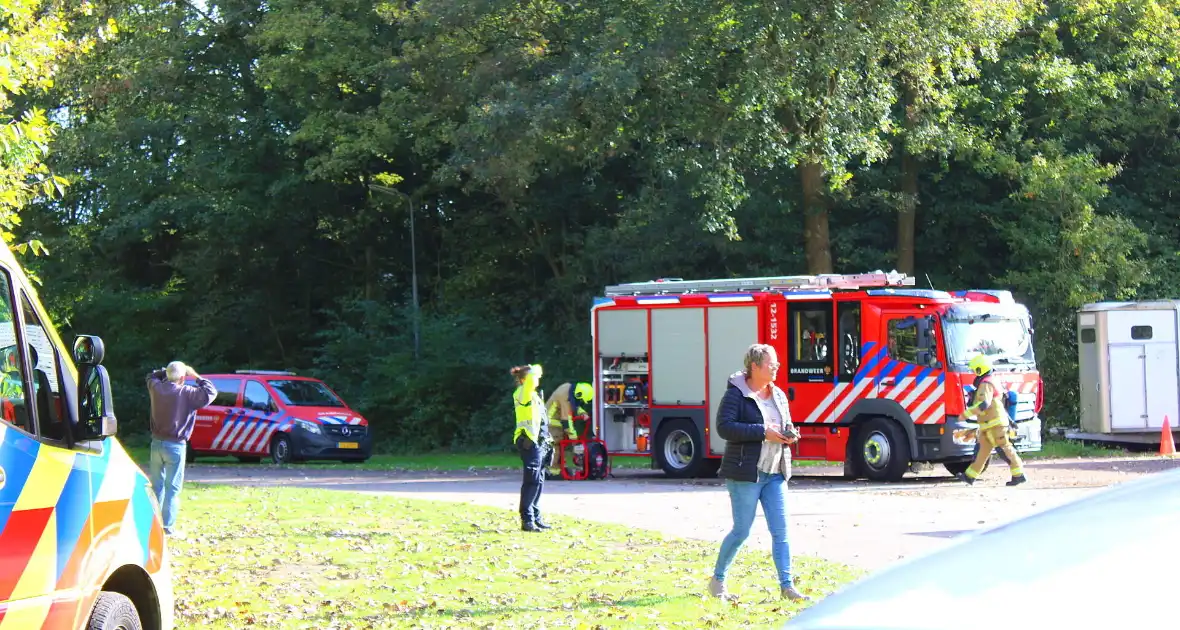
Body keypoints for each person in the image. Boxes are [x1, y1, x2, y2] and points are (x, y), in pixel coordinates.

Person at [708, 343, 809, 602]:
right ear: (754, 366)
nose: (776, 367)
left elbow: (785, 423)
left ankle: (787, 587)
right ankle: (718, 580)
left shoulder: (778, 395)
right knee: (742, 531)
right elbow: (725, 427)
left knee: (781, 532)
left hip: (775, 472)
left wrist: (790, 434)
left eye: (776, 363)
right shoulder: (736, 395)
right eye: (771, 364)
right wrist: (762, 432)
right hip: (746, 474)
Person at [147, 361, 217, 535]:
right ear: (183, 378)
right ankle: (167, 528)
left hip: (156, 443)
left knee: (157, 486)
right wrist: (196, 376)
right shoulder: (187, 393)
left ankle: (153, 525)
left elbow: (151, 376)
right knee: (173, 489)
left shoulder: (156, 388)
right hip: (176, 445)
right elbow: (211, 392)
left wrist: (166, 371)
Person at [960, 354, 1027, 486]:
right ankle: (969, 476)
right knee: (982, 453)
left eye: (975, 370)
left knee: (1006, 449)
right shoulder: (989, 381)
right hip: (987, 426)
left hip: (995, 425)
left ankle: (1019, 475)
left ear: (980, 370)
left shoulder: (986, 384)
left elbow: (984, 404)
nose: (973, 373)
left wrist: (967, 413)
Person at [511, 363, 552, 532]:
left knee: (539, 480)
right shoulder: (522, 392)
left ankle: (536, 517)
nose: (536, 379)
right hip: (528, 441)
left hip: (540, 441)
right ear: (523, 380)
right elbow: (530, 381)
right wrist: (533, 369)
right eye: (533, 377)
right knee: (532, 480)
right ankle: (527, 520)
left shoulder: (535, 395)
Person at [544, 381, 594, 477]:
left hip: (555, 421)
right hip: (551, 422)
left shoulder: (569, 389)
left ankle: (559, 468)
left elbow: (574, 405)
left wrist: (582, 413)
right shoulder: (564, 397)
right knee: (557, 445)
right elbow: (567, 422)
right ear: (579, 394)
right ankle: (553, 472)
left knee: (564, 445)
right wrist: (574, 439)